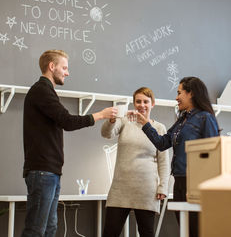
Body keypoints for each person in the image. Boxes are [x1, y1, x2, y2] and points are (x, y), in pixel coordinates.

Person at [22, 49, 117, 237]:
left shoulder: (46, 91)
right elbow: (67, 121)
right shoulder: (41, 90)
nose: (67, 72)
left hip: (50, 171)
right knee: (35, 230)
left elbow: (63, 120)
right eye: (64, 67)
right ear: (52, 66)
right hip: (43, 171)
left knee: (49, 229)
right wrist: (100, 115)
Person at [133, 77, 220, 237]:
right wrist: (146, 124)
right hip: (179, 182)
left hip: (196, 183)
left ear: (191, 93)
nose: (176, 97)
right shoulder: (182, 120)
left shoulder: (205, 118)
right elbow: (162, 143)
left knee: (196, 230)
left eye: (179, 93)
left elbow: (213, 154)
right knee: (185, 229)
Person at [101, 87, 170, 237]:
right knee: (110, 232)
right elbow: (106, 134)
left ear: (153, 104)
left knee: (146, 233)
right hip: (120, 188)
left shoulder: (159, 128)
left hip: (147, 190)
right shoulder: (124, 121)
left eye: (146, 101)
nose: (142, 105)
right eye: (138, 101)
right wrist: (113, 119)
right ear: (134, 103)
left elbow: (164, 162)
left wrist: (163, 187)